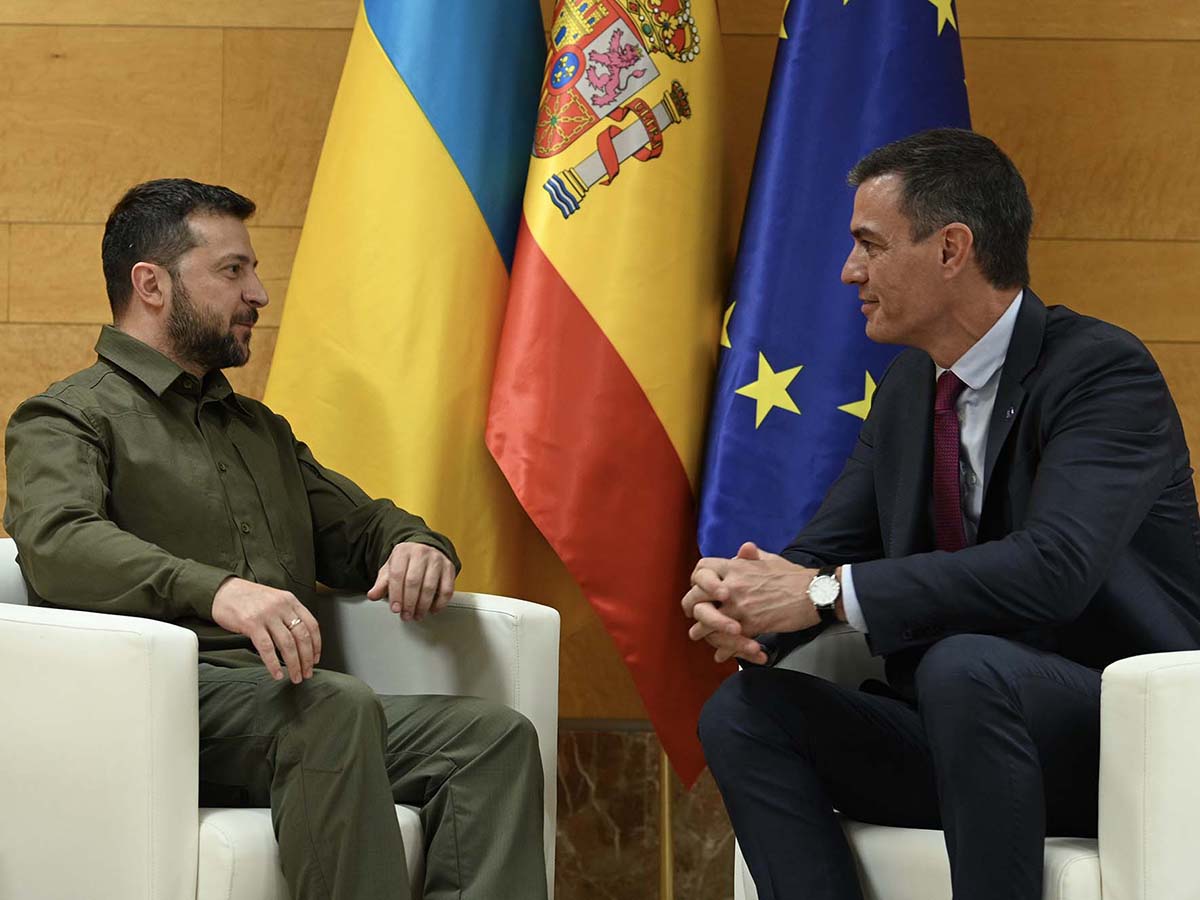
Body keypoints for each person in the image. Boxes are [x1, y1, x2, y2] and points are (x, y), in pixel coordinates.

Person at [686, 129, 1200, 900]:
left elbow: (1053, 570)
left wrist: (823, 594)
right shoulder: (907, 391)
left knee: (964, 665)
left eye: (869, 244)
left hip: (1116, 739)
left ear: (951, 248)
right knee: (745, 714)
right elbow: (819, 556)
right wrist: (743, 599)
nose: (848, 270)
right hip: (956, 732)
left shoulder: (1101, 372)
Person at [3, 178, 547, 900]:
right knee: (331, 705)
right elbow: (58, 545)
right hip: (152, 708)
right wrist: (217, 590)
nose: (258, 292)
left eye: (252, 271)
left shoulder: (260, 431)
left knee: (491, 739)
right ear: (152, 285)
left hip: (293, 702)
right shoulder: (64, 417)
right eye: (233, 271)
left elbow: (362, 530)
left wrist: (418, 546)